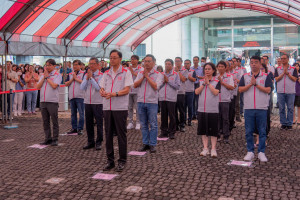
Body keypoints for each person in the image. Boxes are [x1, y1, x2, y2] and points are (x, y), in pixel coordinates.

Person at [100, 49, 133, 172]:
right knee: (108, 135)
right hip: (107, 107)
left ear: (120, 59)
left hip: (120, 107)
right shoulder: (106, 73)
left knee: (121, 134)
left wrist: (114, 94)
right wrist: (102, 91)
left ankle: (122, 160)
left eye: (114, 57)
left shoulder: (126, 72)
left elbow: (127, 90)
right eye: (111, 57)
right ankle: (110, 161)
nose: (112, 60)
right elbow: (102, 87)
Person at [239, 56, 272, 162]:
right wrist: (250, 84)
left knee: (262, 131)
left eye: (256, 62)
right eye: (251, 62)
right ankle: (250, 151)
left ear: (260, 63)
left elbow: (268, 90)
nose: (253, 64)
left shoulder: (265, 76)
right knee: (248, 131)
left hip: (262, 107)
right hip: (248, 107)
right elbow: (240, 89)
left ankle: (261, 152)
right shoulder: (245, 76)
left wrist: (256, 84)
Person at [134, 54, 162, 153]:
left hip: (152, 102)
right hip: (141, 101)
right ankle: (145, 143)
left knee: (153, 124)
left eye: (149, 61)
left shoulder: (158, 74)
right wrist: (143, 77)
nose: (146, 63)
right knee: (143, 124)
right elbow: (135, 84)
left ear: (154, 62)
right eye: (145, 61)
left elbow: (156, 86)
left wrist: (147, 77)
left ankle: (153, 144)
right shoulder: (140, 73)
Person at [195, 63, 221, 157]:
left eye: (209, 69)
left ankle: (213, 149)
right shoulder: (200, 81)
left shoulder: (217, 81)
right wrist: (203, 84)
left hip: (213, 109)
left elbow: (215, 92)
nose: (207, 70)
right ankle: (205, 148)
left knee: (213, 131)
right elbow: (197, 92)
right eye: (205, 69)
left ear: (213, 70)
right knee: (203, 130)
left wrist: (208, 84)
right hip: (202, 109)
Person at [36, 59, 62, 146]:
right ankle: (48, 138)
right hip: (43, 100)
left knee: (54, 121)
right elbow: (38, 86)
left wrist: (47, 78)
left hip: (52, 101)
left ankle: (55, 138)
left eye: (50, 65)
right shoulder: (43, 75)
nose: (48, 67)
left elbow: (54, 86)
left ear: (54, 66)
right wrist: (44, 77)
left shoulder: (57, 75)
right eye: (46, 65)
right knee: (45, 121)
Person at [80, 58, 104, 150]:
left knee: (99, 123)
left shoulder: (101, 75)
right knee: (89, 123)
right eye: (90, 64)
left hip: (98, 102)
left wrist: (91, 78)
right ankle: (90, 141)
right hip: (87, 101)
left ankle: (99, 142)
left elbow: (99, 87)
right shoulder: (86, 74)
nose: (91, 65)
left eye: (93, 63)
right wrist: (87, 78)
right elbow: (82, 87)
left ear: (98, 65)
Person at [158, 59, 180, 139]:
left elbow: (177, 86)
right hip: (162, 98)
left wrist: (168, 82)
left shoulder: (175, 74)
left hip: (171, 98)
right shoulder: (160, 74)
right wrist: (163, 82)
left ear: (172, 65)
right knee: (163, 116)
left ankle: (172, 132)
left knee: (172, 116)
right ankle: (164, 131)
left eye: (169, 64)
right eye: (166, 64)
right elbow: (157, 86)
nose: (167, 65)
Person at [275, 54, 298, 130]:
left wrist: (288, 74)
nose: (283, 60)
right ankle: (283, 123)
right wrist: (283, 74)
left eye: (284, 58)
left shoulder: (293, 68)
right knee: (281, 108)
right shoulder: (278, 68)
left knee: (290, 108)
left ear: (288, 59)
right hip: (280, 91)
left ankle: (289, 123)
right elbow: (277, 79)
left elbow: (295, 79)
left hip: (290, 91)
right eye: (282, 58)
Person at [65, 60, 85, 136]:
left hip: (80, 96)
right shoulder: (70, 74)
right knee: (73, 114)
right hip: (72, 96)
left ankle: (80, 128)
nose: (75, 66)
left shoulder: (83, 73)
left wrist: (76, 79)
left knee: (81, 113)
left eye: (76, 65)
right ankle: (74, 128)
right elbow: (66, 84)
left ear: (80, 66)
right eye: (74, 65)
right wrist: (72, 79)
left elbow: (84, 83)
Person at [217, 61, 234, 143]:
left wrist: (222, 82)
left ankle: (226, 135)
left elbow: (231, 87)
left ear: (225, 68)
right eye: (219, 66)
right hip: (216, 100)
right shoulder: (215, 76)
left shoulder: (229, 76)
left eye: (222, 66)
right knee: (217, 118)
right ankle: (218, 134)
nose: (220, 68)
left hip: (225, 100)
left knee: (225, 118)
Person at [127, 55, 143, 130]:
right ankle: (130, 122)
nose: (132, 61)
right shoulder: (127, 69)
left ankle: (138, 122)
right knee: (129, 107)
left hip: (137, 91)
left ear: (137, 60)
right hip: (129, 91)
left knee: (137, 108)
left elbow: (141, 77)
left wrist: (133, 72)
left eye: (134, 59)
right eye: (131, 59)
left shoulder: (140, 69)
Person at [174, 57, 188, 132]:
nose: (177, 63)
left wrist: (178, 72)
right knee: (174, 110)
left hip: (181, 92)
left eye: (178, 61)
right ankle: (176, 124)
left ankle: (182, 124)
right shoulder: (172, 70)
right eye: (175, 61)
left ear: (181, 62)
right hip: (173, 93)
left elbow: (183, 79)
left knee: (181, 110)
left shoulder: (185, 70)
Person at [184, 59, 196, 126]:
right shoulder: (181, 71)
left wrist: (187, 76)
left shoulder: (192, 71)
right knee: (183, 107)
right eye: (185, 63)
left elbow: (194, 80)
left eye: (187, 63)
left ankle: (190, 120)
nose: (186, 65)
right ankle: (184, 119)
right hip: (183, 91)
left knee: (190, 106)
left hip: (190, 91)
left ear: (190, 64)